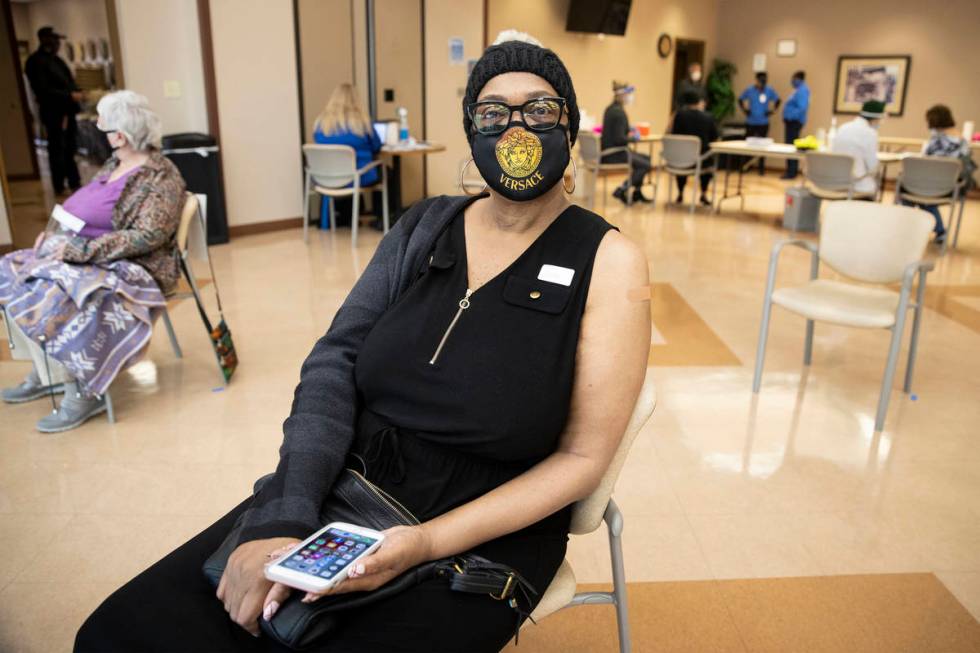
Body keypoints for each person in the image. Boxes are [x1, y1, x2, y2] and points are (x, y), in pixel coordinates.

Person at [73, 35, 651, 653]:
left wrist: (425, 543)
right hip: (345, 481)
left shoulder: (609, 261)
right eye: (492, 113)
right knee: (119, 633)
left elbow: (582, 460)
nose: (516, 129)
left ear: (568, 123)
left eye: (539, 110)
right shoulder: (423, 227)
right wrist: (285, 516)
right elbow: (334, 362)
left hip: (485, 528)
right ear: (471, 131)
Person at [0, 91, 185, 432]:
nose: (103, 134)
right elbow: (81, 207)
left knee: (58, 293)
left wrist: (77, 251)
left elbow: (147, 237)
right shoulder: (115, 163)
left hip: (134, 265)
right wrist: (52, 234)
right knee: (11, 272)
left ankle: (82, 389)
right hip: (86, 251)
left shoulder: (161, 177)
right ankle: (48, 371)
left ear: (121, 135)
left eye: (107, 129)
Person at [900, 104, 975, 244]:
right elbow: (964, 169)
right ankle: (939, 231)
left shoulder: (935, 140)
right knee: (926, 196)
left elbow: (924, 161)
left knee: (909, 192)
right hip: (949, 188)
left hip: (927, 187)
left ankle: (910, 228)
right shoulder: (963, 142)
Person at [312, 84, 384, 228]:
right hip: (355, 178)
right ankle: (381, 220)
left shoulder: (320, 124)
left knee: (350, 171)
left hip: (327, 178)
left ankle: (342, 218)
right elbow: (376, 146)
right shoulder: (362, 123)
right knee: (386, 172)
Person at [24, 26, 83, 196]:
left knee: (70, 148)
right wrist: (68, 96)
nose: (58, 43)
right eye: (54, 40)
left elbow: (68, 82)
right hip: (54, 112)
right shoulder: (36, 62)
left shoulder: (56, 61)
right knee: (57, 149)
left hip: (67, 111)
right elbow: (43, 90)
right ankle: (59, 184)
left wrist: (76, 92)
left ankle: (74, 181)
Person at [602, 80, 652, 204]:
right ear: (621, 95)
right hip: (615, 154)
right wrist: (634, 138)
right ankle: (622, 189)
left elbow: (616, 130)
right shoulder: (619, 113)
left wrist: (629, 129)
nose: (630, 97)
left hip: (609, 151)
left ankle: (637, 193)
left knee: (646, 158)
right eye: (628, 95)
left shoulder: (611, 109)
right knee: (646, 165)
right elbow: (620, 139)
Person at [670, 90, 719, 206]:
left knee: (683, 160)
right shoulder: (708, 117)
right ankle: (703, 193)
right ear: (699, 102)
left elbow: (674, 134)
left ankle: (680, 192)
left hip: (681, 160)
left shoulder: (679, 116)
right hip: (700, 161)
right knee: (709, 160)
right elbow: (715, 138)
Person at [831, 100, 885, 198]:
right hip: (857, 185)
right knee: (872, 186)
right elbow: (872, 166)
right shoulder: (870, 133)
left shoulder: (843, 127)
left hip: (835, 181)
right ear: (875, 119)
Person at [738, 71, 780, 174]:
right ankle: (745, 167)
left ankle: (761, 169)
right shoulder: (750, 89)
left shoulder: (769, 90)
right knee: (747, 145)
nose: (762, 83)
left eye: (764, 81)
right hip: (751, 122)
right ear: (756, 80)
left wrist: (772, 111)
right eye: (760, 81)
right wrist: (745, 110)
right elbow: (740, 99)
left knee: (763, 147)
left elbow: (778, 100)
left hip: (763, 123)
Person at [781, 71, 809, 179]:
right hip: (791, 122)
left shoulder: (802, 90)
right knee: (789, 147)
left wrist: (791, 116)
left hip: (794, 122)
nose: (792, 81)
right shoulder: (797, 90)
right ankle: (790, 171)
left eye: (794, 78)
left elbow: (802, 108)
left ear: (798, 78)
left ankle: (791, 172)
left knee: (791, 147)